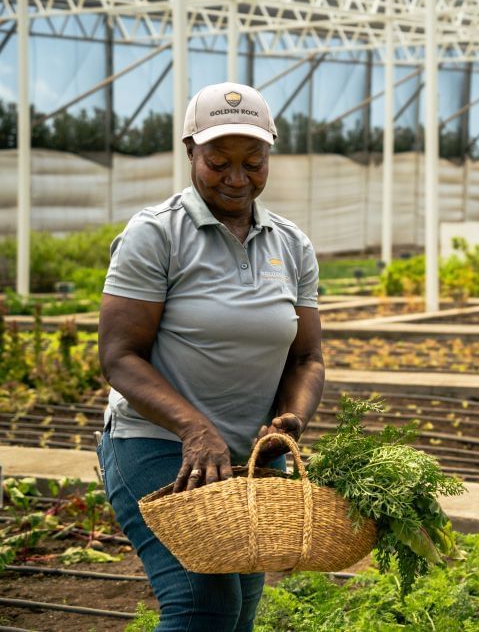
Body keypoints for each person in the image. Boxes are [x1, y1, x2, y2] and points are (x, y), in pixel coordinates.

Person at [96, 82, 324, 631]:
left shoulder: (290, 245)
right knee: (203, 604)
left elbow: (306, 358)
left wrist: (292, 421)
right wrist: (194, 427)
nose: (237, 177)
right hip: (159, 448)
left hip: (247, 456)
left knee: (240, 608)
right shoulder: (156, 235)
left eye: (254, 161)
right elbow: (119, 356)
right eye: (219, 161)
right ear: (191, 152)